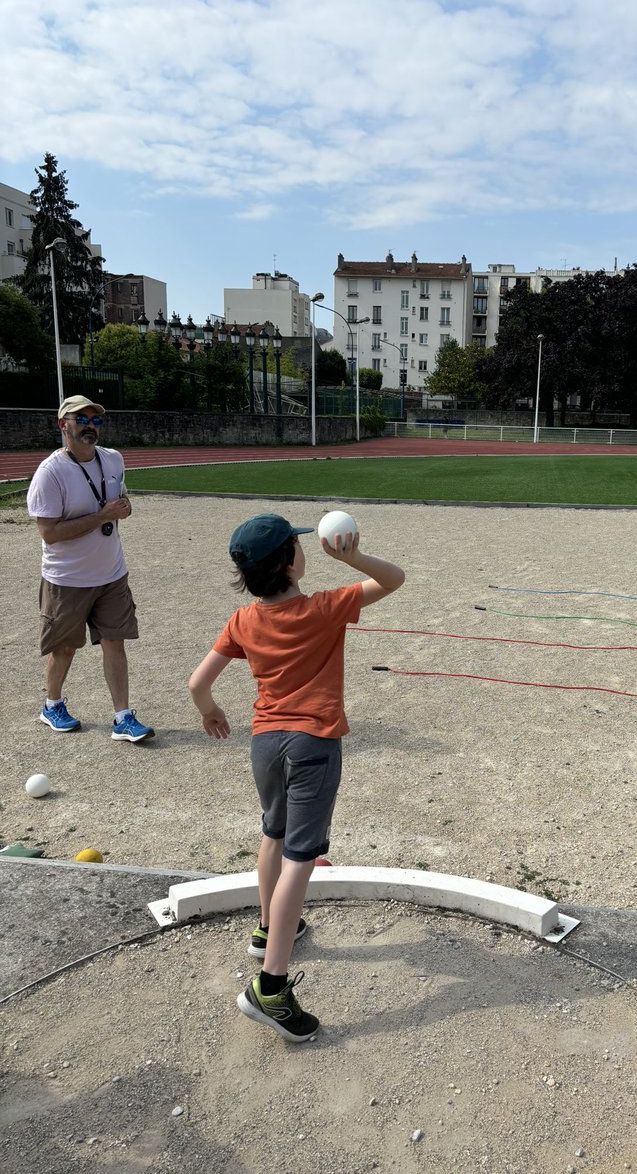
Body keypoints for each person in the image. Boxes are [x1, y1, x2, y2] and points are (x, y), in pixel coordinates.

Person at [188, 512, 404, 1042]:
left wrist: (210, 711)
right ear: (289, 561)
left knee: (273, 834)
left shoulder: (242, 620)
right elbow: (394, 579)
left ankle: (267, 930)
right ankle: (271, 987)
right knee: (300, 862)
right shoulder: (324, 608)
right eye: (297, 546)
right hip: (313, 746)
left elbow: (198, 683)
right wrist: (352, 559)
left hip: (266, 743)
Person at [26, 395, 155, 742]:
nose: (89, 426)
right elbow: (49, 533)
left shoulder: (113, 459)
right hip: (67, 579)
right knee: (64, 647)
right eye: (80, 419)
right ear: (62, 425)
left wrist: (124, 508)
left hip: (112, 573)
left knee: (115, 642)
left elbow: (120, 499)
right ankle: (52, 706)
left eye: (95, 420)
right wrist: (102, 516)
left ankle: (123, 718)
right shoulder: (50, 473)